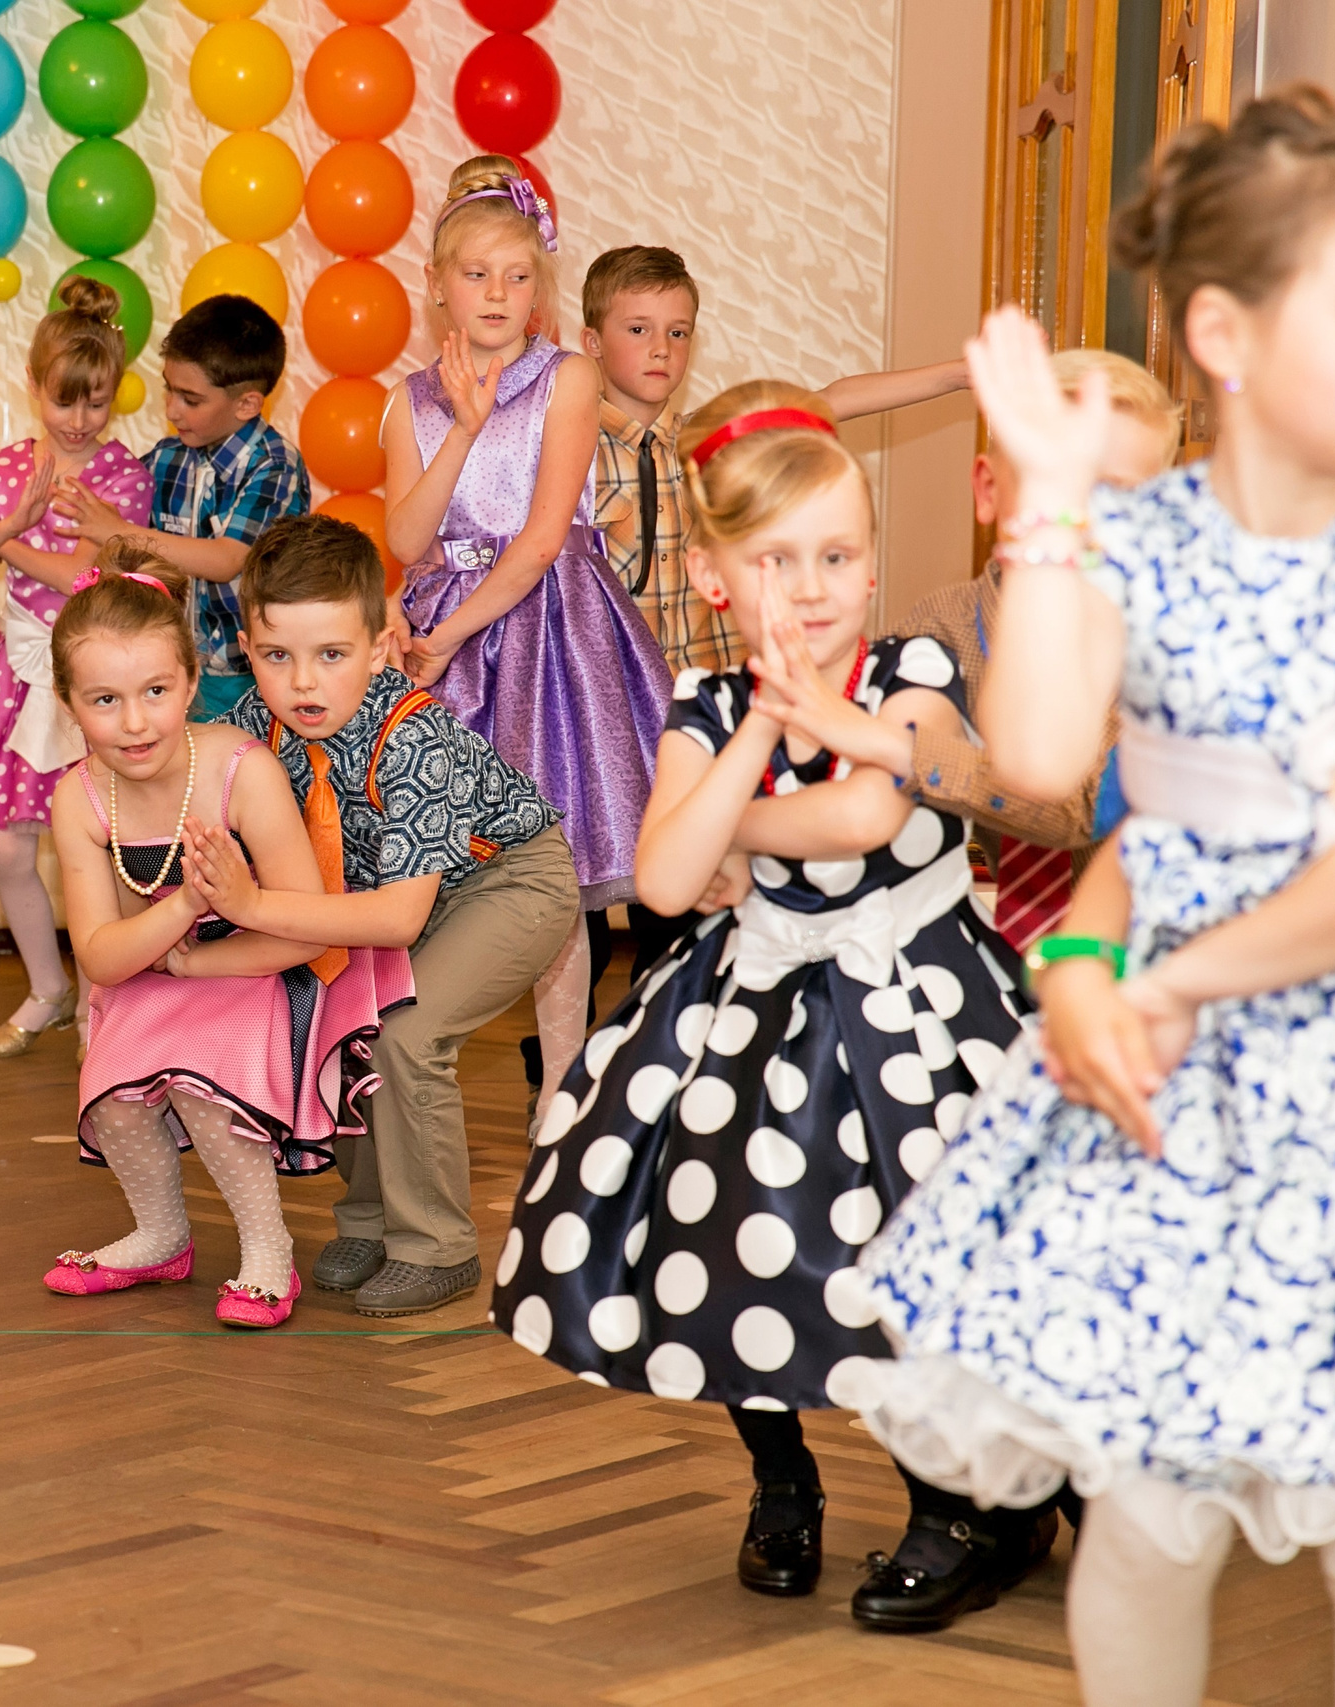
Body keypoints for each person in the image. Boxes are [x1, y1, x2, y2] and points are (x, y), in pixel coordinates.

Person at [854, 81, 1335, 1705]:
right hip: (1172, 1084)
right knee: (1150, 1515)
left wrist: (1149, 982)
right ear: (1226, 330)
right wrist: (1051, 501)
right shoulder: (1144, 542)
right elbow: (1051, 758)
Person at [486, 379, 1039, 1630]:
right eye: (774, 561)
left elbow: (864, 814)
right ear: (713, 576)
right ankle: (782, 1482)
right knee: (732, 1239)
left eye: (836, 556)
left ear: (871, 561)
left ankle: (952, 1506)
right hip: (757, 1011)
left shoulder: (909, 673)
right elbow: (664, 877)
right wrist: (751, 744)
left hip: (913, 1009)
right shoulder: (706, 705)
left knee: (904, 1258)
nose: (811, 588)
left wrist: (737, 814)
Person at [182, 514, 577, 1318]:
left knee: (404, 1033)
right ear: (247, 651)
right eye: (277, 657)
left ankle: (438, 1246)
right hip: (381, 894)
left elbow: (398, 919)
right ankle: (368, 1221)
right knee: (340, 1022)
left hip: (508, 882)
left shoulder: (414, 737)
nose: (304, 684)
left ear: (378, 645)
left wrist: (253, 906)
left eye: (331, 655)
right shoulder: (256, 728)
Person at [573, 246, 971, 1032]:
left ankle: (674, 1000)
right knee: (591, 882)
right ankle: (570, 1047)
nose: (662, 349)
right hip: (602, 707)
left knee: (681, 902)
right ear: (591, 342)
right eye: (639, 330)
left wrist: (955, 375)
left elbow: (834, 399)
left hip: (682, 689)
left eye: (679, 332)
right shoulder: (569, 443)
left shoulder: (703, 444)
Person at [44, 544, 407, 1328]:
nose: (134, 721)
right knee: (116, 1095)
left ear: (190, 683)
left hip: (253, 967)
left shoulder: (241, 769)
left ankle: (268, 1249)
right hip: (153, 968)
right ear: (67, 702)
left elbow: (303, 930)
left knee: (203, 1090)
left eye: (155, 692)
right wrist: (183, 906)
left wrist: (201, 953)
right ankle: (160, 1235)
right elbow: (101, 955)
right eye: (104, 699)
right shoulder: (79, 799)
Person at [384, 157, 673, 1135]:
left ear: (539, 285)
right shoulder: (408, 402)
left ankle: (561, 1088)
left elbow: (545, 537)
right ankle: (402, 1072)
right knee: (430, 870)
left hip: (549, 638)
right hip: (446, 640)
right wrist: (463, 430)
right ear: (436, 283)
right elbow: (406, 539)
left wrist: (445, 635)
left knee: (555, 867)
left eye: (517, 276)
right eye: (476, 275)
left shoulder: (569, 378)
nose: (497, 294)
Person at [0, 276, 152, 1059]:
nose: (79, 420)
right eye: (64, 400)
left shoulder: (123, 479)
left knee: (103, 850)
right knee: (14, 848)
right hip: (16, 675)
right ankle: (48, 989)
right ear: (33, 385)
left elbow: (80, 576)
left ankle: (103, 1004)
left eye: (97, 402)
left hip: (95, 679)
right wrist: (10, 520)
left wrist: (8, 538)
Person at [897, 348, 1178, 951]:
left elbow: (1075, 808)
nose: (1077, 518)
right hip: (959, 946)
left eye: (1116, 497)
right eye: (1052, 483)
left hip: (1127, 950)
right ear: (988, 489)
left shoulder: (1167, 651)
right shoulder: (936, 626)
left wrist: (905, 753)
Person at [55, 293, 310, 721]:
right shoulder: (166, 457)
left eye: (190, 399)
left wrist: (118, 532)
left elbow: (226, 559)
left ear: (247, 403)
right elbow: (110, 501)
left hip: (246, 674)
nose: (172, 410)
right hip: (172, 667)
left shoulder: (274, 464)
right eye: (168, 390)